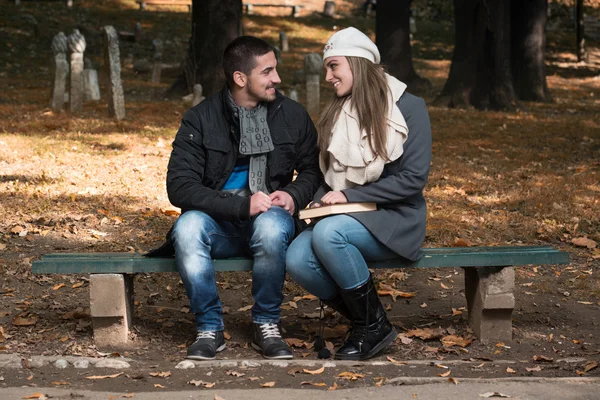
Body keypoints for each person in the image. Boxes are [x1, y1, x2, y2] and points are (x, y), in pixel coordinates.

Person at [148, 36, 322, 361]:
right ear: (241, 78)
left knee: (270, 227)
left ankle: (266, 325)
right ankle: (209, 329)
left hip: (271, 221)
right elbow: (180, 187)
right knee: (186, 228)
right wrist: (241, 205)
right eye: (267, 72)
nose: (277, 79)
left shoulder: (292, 115)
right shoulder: (200, 118)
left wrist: (293, 194)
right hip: (220, 225)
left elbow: (313, 170)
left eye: (276, 70)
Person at [286, 27, 432, 361]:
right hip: (346, 216)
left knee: (329, 232)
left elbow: (412, 179)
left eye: (334, 66)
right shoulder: (339, 110)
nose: (327, 76)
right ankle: (370, 321)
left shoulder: (409, 107)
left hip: (395, 218)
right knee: (296, 258)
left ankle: (371, 328)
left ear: (356, 63)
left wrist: (347, 199)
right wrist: (320, 198)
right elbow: (331, 175)